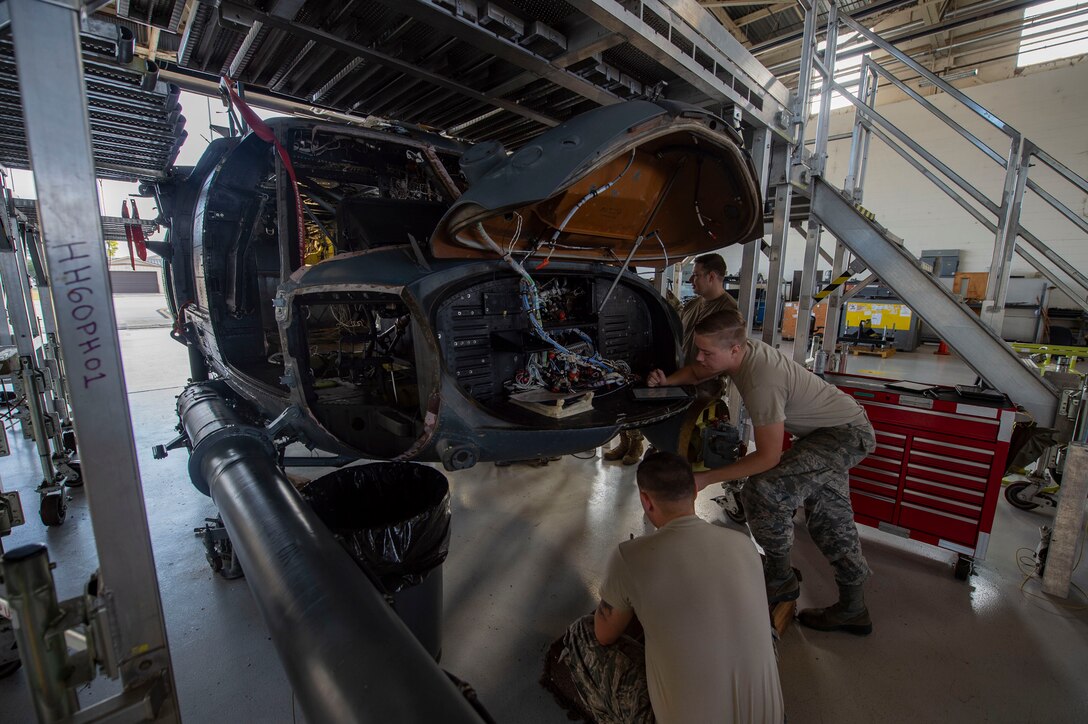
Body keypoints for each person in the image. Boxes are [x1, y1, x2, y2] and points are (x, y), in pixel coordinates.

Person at [647, 309, 877, 635]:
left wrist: (705, 478)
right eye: (699, 349)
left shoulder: (760, 380)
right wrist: (667, 381)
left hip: (844, 434)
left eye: (707, 352)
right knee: (829, 516)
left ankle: (779, 577)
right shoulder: (735, 352)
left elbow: (768, 457)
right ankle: (854, 608)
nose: (699, 357)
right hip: (826, 432)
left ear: (735, 350)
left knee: (762, 490)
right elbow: (699, 372)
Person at [560, 451, 784, 724]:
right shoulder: (744, 545)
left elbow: (604, 635)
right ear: (694, 491)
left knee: (581, 633)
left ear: (645, 500)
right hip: (774, 720)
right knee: (760, 624)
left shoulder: (631, 556)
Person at [604, 253, 739, 465]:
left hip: (704, 383)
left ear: (712, 276)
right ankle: (629, 442)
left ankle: (659, 457)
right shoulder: (694, 304)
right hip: (680, 375)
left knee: (680, 440)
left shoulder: (728, 310)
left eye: (696, 275)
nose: (691, 280)